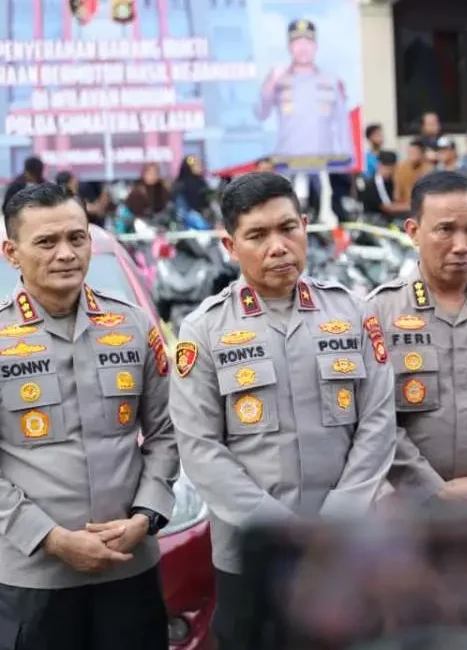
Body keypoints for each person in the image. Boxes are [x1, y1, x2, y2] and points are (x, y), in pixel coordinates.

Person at [170, 172, 396, 650]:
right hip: (250, 559)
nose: (278, 246)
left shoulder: (351, 312)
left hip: (342, 550)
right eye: (257, 235)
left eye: (288, 228)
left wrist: (335, 519)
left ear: (305, 226)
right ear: (230, 245)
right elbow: (199, 447)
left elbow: (377, 422)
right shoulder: (204, 330)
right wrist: (280, 531)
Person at [0, 182, 177, 650]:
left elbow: (165, 433)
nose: (66, 254)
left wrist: (146, 517)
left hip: (131, 570)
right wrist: (51, 539)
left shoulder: (133, 324)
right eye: (46, 242)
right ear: (11, 252)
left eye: (77, 239)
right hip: (32, 580)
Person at [368, 171, 467, 499]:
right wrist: (433, 491)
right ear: (414, 232)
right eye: (445, 230)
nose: (461, 246)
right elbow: (374, 421)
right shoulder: (379, 313)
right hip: (411, 511)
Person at [256, 19, 352, 160]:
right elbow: (261, 113)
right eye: (297, 43)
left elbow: (341, 123)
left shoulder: (331, 80)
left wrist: (347, 157)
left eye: (308, 42)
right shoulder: (278, 79)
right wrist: (270, 83)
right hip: (287, 159)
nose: (303, 48)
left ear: (315, 46)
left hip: (324, 160)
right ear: (290, 47)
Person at [360, 150, 406, 220]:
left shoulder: (394, 181)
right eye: (386, 168)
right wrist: (410, 206)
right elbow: (388, 208)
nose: (388, 172)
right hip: (375, 219)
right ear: (379, 166)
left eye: (391, 169)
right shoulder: (371, 185)